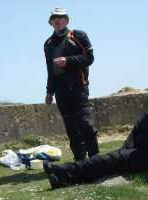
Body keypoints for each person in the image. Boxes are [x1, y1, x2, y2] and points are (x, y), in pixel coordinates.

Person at [44, 8, 99, 161]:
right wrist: (49, 92)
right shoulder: (48, 44)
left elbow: (89, 58)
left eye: (60, 17)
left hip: (78, 87)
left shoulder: (78, 35)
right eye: (54, 17)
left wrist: (68, 61)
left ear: (66, 20)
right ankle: (80, 159)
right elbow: (50, 70)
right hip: (61, 91)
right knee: (71, 127)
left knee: (85, 123)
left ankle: (95, 158)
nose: (57, 20)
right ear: (50, 23)